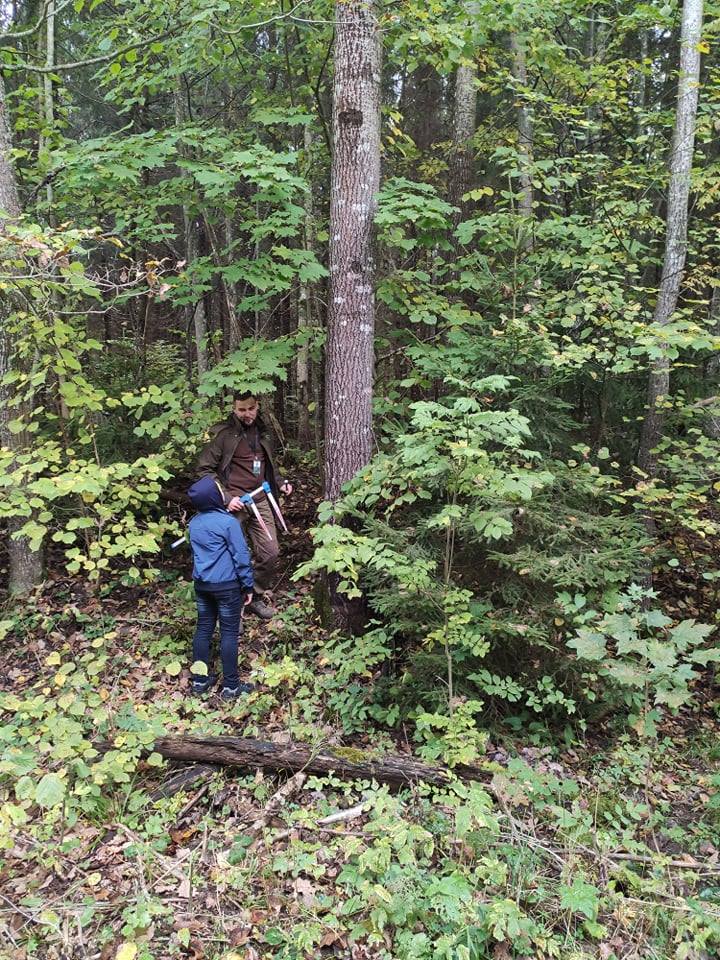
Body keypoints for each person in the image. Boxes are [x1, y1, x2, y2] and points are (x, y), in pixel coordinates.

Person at [196, 391, 292, 622]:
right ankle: (233, 608)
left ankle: (255, 595)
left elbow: (268, 465)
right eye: (241, 410)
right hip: (233, 505)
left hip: (260, 499)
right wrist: (227, 498)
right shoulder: (223, 435)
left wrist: (280, 482)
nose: (247, 414)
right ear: (234, 409)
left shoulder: (263, 432)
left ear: (257, 406)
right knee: (231, 556)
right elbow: (203, 470)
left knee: (270, 552)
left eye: (250, 408)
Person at [187, 475, 254, 700]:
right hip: (227, 587)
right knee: (228, 633)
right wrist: (248, 586)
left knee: (203, 629)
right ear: (214, 497)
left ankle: (200, 681)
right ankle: (231, 687)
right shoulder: (228, 523)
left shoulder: (194, 523)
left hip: (202, 585)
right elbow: (241, 556)